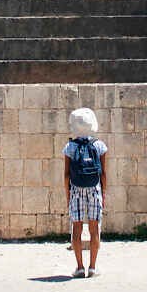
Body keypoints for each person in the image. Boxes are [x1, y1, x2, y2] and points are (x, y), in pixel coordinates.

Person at [63, 107, 107, 278]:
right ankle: (93, 267)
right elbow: (103, 172)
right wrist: (103, 191)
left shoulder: (70, 147)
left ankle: (80, 267)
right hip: (94, 188)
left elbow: (66, 174)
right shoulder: (99, 146)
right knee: (95, 228)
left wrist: (68, 194)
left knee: (77, 228)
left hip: (76, 189)